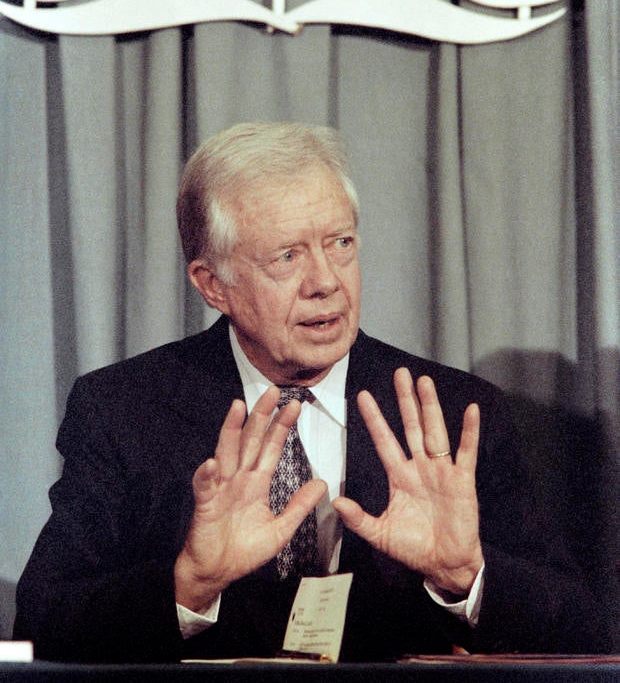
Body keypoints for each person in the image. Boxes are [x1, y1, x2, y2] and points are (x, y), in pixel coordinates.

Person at [14, 122, 610, 662]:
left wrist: (465, 575)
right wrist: (189, 585)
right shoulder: (123, 409)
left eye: (340, 244)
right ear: (212, 284)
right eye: (287, 256)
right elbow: (46, 622)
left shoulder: (451, 414)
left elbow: (582, 638)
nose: (325, 282)